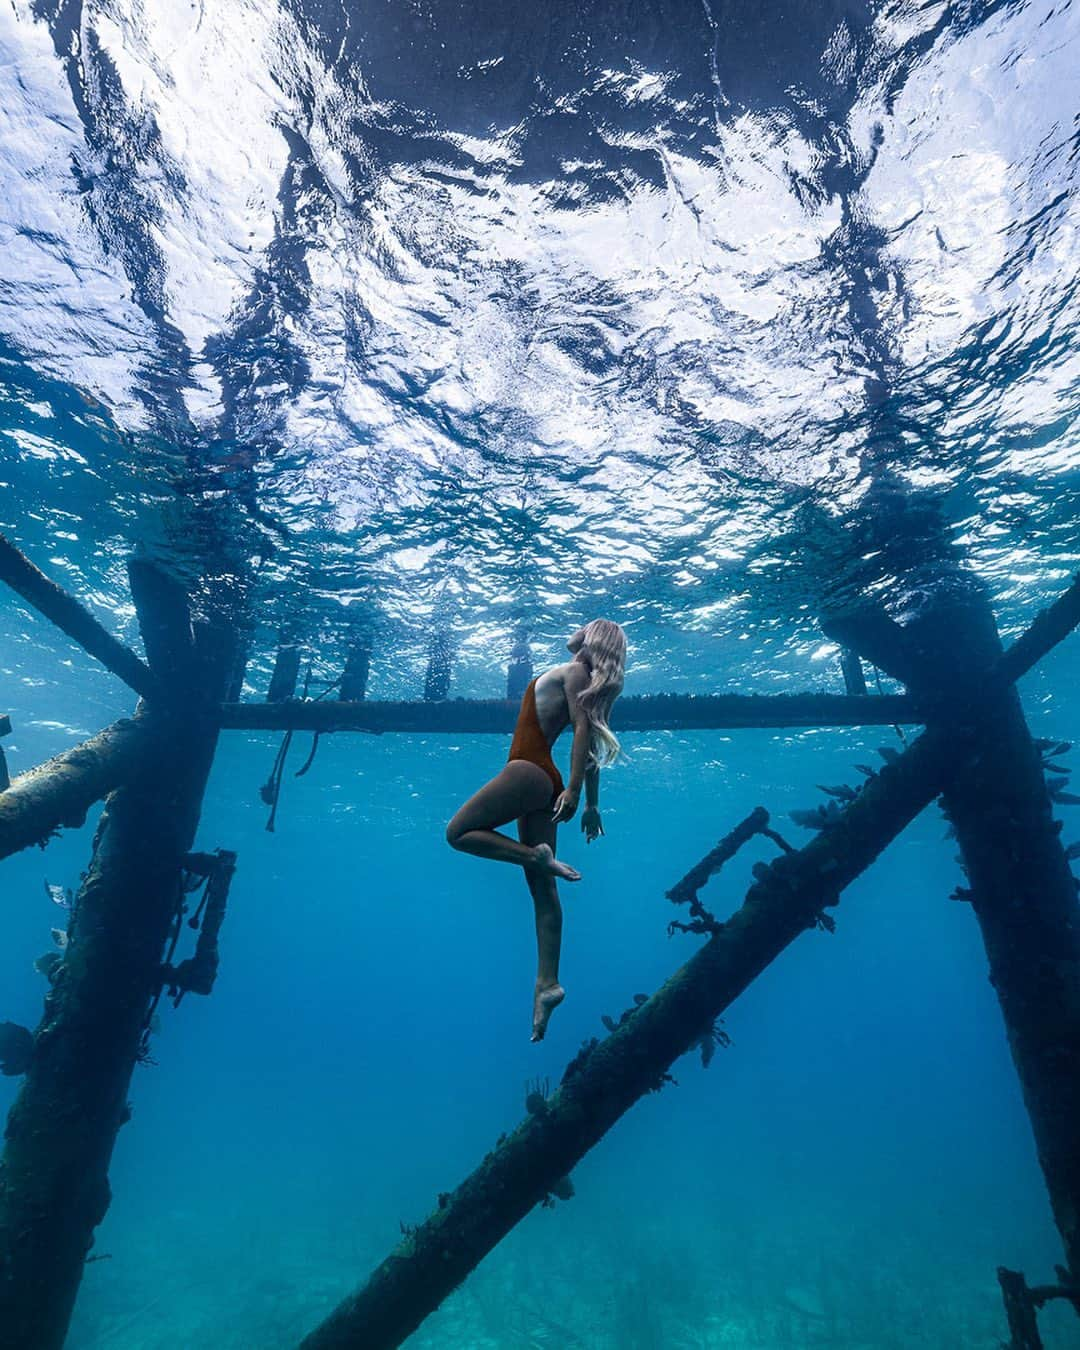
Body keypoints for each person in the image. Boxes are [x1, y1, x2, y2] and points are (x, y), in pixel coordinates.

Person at [446, 619, 627, 1041]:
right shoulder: (581, 677)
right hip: (544, 781)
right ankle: (547, 985)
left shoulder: (576, 671)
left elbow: (584, 731)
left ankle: (535, 857)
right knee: (544, 891)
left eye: (584, 627)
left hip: (529, 771)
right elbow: (594, 741)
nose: (575, 629)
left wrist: (578, 792)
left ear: (592, 637)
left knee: (458, 833)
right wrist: (591, 802)